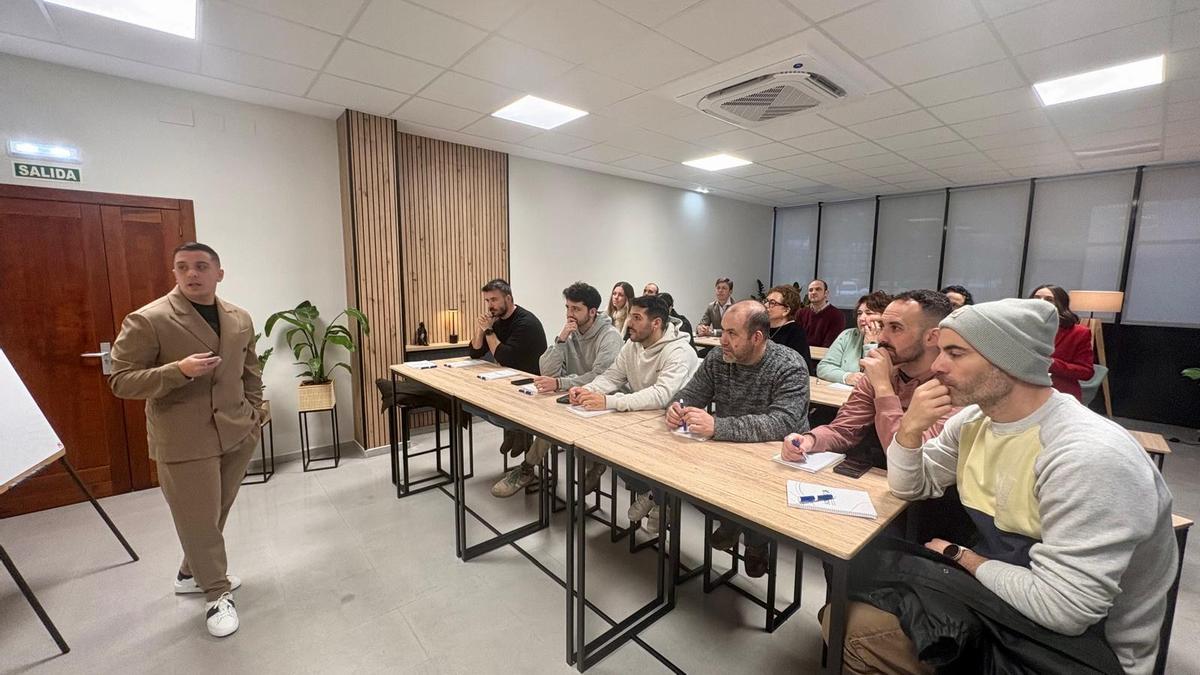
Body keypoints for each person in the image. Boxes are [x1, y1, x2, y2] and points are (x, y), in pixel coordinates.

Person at [826, 299, 1175, 674]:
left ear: (1010, 362)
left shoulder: (1087, 455)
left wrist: (964, 558)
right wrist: (909, 430)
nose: (938, 366)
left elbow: (1065, 609)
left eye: (955, 353)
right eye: (940, 350)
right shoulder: (977, 420)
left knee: (855, 628)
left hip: (1078, 650)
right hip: (1008, 601)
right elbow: (912, 486)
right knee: (850, 597)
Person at [108, 242, 264, 638]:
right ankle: (216, 593)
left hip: (235, 431)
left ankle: (188, 573)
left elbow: (251, 370)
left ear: (219, 273)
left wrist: (254, 414)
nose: (191, 274)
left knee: (214, 513)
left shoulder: (239, 317)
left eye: (200, 266)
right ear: (174, 273)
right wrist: (178, 370)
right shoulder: (149, 319)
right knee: (198, 518)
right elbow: (121, 381)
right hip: (183, 438)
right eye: (182, 267)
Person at [668, 301, 810, 577]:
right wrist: (676, 407)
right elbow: (691, 394)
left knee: (753, 499)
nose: (722, 340)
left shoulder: (790, 365)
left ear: (757, 337)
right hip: (729, 451)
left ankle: (755, 539)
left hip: (777, 458)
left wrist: (716, 426)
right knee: (682, 483)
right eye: (722, 331)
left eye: (732, 334)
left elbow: (783, 422)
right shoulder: (718, 358)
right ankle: (733, 521)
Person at [784, 290, 955, 470]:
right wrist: (810, 440)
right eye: (882, 326)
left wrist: (883, 387)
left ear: (932, 337)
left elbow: (910, 462)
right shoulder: (880, 372)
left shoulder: (954, 386)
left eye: (895, 328)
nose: (881, 337)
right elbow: (844, 429)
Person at [570, 295, 699, 519]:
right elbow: (613, 375)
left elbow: (662, 396)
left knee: (629, 454)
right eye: (630, 316)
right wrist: (589, 390)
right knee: (612, 451)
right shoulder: (633, 344)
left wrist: (610, 401)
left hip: (673, 426)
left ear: (656, 323)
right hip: (641, 418)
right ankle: (655, 494)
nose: (629, 323)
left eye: (637, 318)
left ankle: (662, 497)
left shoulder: (679, 352)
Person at [491, 282, 621, 498]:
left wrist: (561, 384)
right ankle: (588, 464)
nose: (570, 314)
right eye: (568, 308)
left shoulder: (610, 336)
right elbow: (547, 369)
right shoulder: (571, 333)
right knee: (546, 416)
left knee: (553, 422)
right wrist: (561, 339)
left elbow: (602, 377)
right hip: (575, 396)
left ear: (592, 311)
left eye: (576, 309)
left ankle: (527, 469)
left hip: (604, 400)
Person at [469, 278, 547, 457]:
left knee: (494, 413)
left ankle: (519, 430)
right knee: (472, 405)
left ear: (509, 299)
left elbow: (505, 358)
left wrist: (489, 331)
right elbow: (475, 352)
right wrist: (481, 329)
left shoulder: (526, 322)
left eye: (494, 300)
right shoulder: (497, 321)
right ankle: (516, 431)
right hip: (508, 379)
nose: (490, 306)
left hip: (529, 383)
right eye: (487, 301)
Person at [1030, 284, 1094, 402]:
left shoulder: (1078, 333)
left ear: (1060, 304)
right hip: (1022, 392)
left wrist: (1051, 363)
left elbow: (1086, 372)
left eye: (1049, 299)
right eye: (1037, 298)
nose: (1041, 302)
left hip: (1059, 394)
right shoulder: (1021, 327)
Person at [816, 291, 890, 385]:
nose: (861, 318)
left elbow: (875, 380)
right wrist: (846, 377)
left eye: (869, 313)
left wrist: (871, 345)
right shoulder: (848, 335)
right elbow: (823, 367)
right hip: (841, 394)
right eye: (859, 313)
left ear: (884, 317)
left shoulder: (892, 340)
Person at [763, 284, 812, 365]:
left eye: (772, 303)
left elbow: (799, 365)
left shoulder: (795, 332)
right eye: (766, 301)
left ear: (786, 310)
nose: (765, 306)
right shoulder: (761, 327)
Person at [796, 279, 844, 348]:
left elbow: (829, 344)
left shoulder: (837, 315)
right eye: (810, 290)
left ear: (826, 293)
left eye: (818, 289)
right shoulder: (801, 313)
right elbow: (797, 338)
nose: (813, 292)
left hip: (823, 355)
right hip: (801, 354)